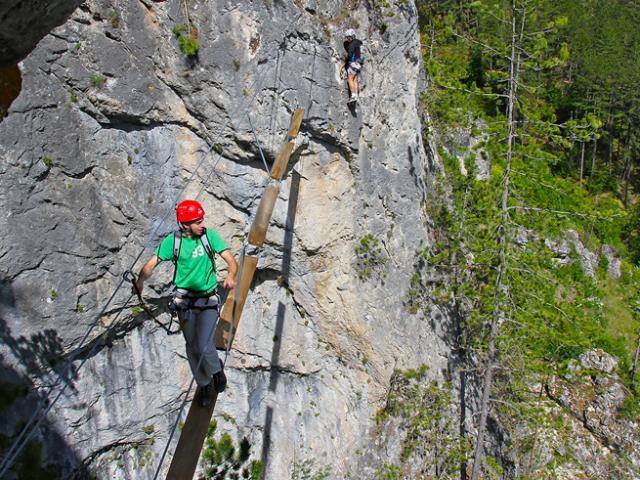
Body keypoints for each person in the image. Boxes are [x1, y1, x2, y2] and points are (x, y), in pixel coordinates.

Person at [135, 199, 238, 407]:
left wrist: (231, 276)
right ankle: (204, 383)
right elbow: (151, 264)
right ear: (185, 225)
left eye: (202, 220)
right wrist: (140, 281)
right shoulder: (173, 242)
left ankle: (217, 372)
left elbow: (231, 260)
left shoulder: (209, 236)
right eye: (197, 221)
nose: (202, 224)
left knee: (203, 344)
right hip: (185, 303)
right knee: (191, 347)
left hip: (208, 299)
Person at [343, 29, 363, 103]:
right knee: (355, 80)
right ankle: (356, 95)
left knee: (350, 79)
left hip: (353, 64)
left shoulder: (351, 45)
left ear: (351, 37)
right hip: (358, 64)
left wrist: (346, 57)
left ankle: (353, 95)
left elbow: (350, 54)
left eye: (348, 37)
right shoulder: (357, 43)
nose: (347, 39)